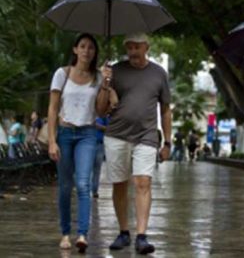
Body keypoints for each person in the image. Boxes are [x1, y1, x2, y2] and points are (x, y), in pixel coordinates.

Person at [97, 33, 171, 255]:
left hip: (146, 136)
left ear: (147, 47)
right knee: (119, 184)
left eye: (137, 46)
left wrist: (167, 141)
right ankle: (123, 232)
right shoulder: (115, 71)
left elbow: (165, 109)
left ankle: (141, 235)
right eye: (129, 47)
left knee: (142, 183)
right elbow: (100, 110)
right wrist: (105, 84)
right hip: (116, 135)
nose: (132, 51)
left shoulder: (159, 73)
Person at [47, 33, 102, 253]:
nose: (87, 51)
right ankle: (65, 233)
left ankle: (82, 234)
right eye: (83, 46)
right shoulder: (62, 74)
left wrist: (106, 84)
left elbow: (103, 109)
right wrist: (52, 141)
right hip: (65, 133)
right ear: (75, 49)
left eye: (91, 48)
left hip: (88, 134)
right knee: (65, 187)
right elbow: (52, 108)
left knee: (83, 184)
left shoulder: (98, 77)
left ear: (95, 52)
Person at [92, 116, 109, 198]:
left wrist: (98, 126)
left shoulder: (104, 116)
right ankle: (85, 190)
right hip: (88, 143)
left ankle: (95, 191)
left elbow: (109, 128)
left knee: (97, 168)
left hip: (100, 144)